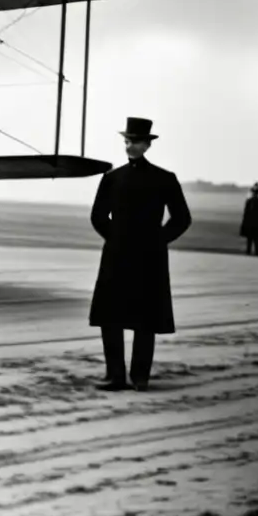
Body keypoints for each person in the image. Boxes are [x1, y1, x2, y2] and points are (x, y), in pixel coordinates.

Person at [89, 117, 192, 392]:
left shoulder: (165, 179)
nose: (129, 145)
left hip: (149, 257)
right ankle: (115, 376)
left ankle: (140, 377)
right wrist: (116, 239)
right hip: (117, 255)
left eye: (134, 141)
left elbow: (182, 218)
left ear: (147, 145)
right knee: (110, 316)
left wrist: (159, 240)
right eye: (126, 141)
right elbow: (98, 216)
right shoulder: (112, 178)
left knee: (145, 318)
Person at [239, 182, 258, 256]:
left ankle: (249, 251)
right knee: (257, 240)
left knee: (250, 240)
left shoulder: (249, 202)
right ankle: (256, 251)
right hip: (257, 225)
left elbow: (246, 215)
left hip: (251, 224)